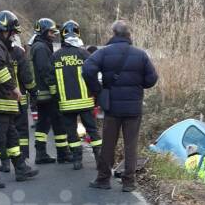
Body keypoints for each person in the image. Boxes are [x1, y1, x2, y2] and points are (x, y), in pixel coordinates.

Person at [82, 20, 158, 191]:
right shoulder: (141, 55)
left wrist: (98, 90)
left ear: (113, 33)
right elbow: (152, 79)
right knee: (131, 145)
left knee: (108, 143)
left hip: (112, 107)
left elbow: (87, 69)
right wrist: (139, 85)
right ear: (128, 34)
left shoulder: (104, 53)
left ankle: (103, 180)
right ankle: (129, 183)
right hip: (133, 108)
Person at [0, 10, 38, 188]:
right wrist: (13, 88)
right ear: (6, 29)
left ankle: (20, 167)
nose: (13, 37)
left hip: (1, 100)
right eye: (12, 33)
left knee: (11, 135)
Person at [52, 20, 102, 170]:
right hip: (86, 102)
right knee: (92, 130)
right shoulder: (84, 54)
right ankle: (99, 159)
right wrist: (97, 94)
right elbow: (93, 75)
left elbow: (49, 79)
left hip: (66, 104)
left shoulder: (56, 56)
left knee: (71, 132)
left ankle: (77, 160)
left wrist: (57, 98)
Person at [30, 18, 70, 164]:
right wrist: (54, 90)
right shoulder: (41, 48)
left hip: (41, 93)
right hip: (47, 93)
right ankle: (63, 154)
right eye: (52, 32)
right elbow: (45, 70)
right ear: (44, 31)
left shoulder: (39, 45)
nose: (54, 35)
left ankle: (41, 153)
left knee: (43, 123)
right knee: (57, 121)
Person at [0, 34, 36, 172]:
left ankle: (5, 162)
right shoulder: (19, 53)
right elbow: (27, 76)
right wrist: (33, 91)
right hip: (19, 99)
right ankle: (22, 159)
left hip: (2, 99)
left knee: (3, 131)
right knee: (20, 131)